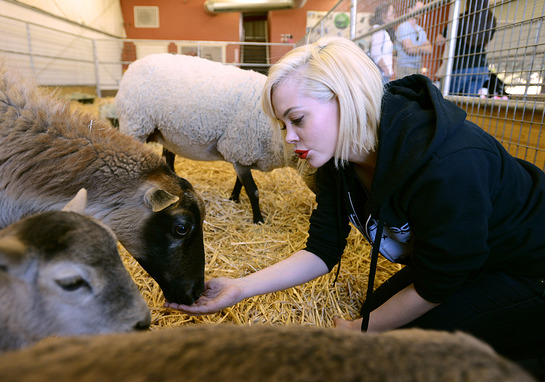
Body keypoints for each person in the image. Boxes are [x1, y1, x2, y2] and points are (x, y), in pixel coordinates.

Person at [165, 36, 545, 374]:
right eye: (283, 125)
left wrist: (364, 332)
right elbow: (322, 248)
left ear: (343, 97)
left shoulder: (449, 163)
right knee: (375, 316)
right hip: (466, 263)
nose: (289, 137)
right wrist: (240, 287)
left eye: (296, 119)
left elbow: (438, 283)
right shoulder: (335, 157)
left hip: (526, 267)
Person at [435, 0, 497, 95]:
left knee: (448, 101)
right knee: (468, 102)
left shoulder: (460, 19)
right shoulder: (491, 20)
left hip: (459, 67)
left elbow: (439, 41)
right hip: (480, 67)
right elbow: (486, 43)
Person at [395, 0, 432, 78]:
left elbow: (430, 49)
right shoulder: (403, 27)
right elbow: (410, 49)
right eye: (419, 8)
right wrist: (422, 48)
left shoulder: (421, 30)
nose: (422, 11)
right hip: (404, 68)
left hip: (417, 68)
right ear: (410, 9)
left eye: (423, 9)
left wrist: (415, 47)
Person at [369, 2, 396, 81]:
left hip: (382, 74)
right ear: (384, 14)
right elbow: (375, 53)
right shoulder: (379, 30)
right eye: (392, 12)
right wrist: (386, 70)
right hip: (381, 75)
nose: (394, 14)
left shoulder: (382, 30)